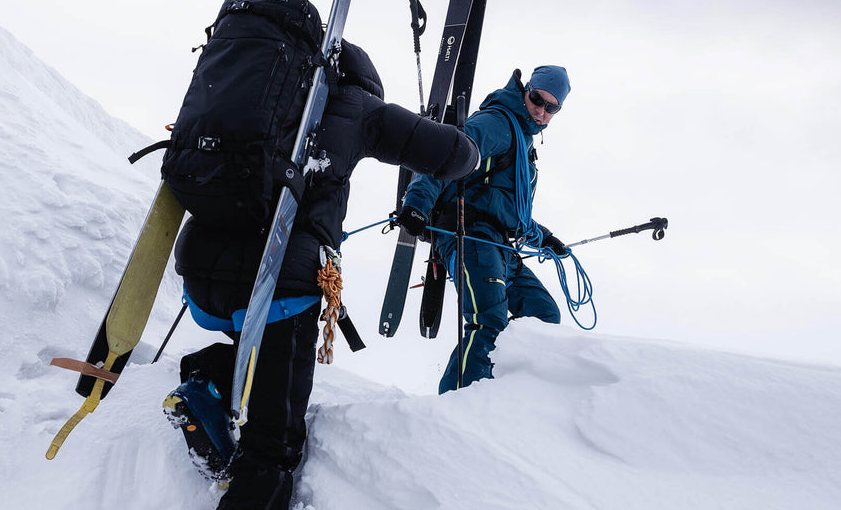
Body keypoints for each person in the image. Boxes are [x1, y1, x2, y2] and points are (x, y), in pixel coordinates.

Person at [165, 41, 478, 510]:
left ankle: (207, 382)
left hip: (203, 273)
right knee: (275, 442)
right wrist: (462, 137)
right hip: (279, 281)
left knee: (254, 350)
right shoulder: (358, 106)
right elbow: (457, 157)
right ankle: (250, 472)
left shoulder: (267, 99)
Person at [395, 65, 573, 393]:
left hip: (500, 244)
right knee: (488, 319)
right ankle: (456, 409)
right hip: (469, 232)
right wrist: (416, 204)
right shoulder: (498, 122)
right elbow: (449, 153)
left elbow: (508, 208)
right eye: (537, 99)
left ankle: (508, 399)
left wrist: (542, 237)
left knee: (543, 314)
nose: (542, 110)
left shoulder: (524, 141)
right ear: (526, 91)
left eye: (552, 107)